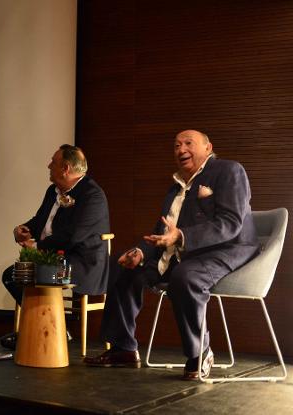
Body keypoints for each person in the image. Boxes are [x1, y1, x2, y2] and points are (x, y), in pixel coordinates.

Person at [84, 130, 260, 381]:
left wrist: (181, 236)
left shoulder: (229, 171)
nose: (181, 149)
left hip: (226, 249)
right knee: (123, 265)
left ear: (208, 147)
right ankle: (123, 349)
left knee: (185, 277)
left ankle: (200, 352)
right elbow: (162, 232)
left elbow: (231, 222)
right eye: (176, 145)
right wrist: (140, 253)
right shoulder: (175, 186)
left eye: (189, 143)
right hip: (180, 253)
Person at [0, 144, 110, 349]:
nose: (48, 165)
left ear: (65, 168)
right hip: (53, 258)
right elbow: (40, 220)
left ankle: (50, 330)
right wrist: (22, 229)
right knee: (13, 275)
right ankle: (47, 329)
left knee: (37, 275)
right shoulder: (53, 191)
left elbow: (75, 236)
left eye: (53, 161)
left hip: (80, 262)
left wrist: (38, 246)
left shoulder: (92, 195)